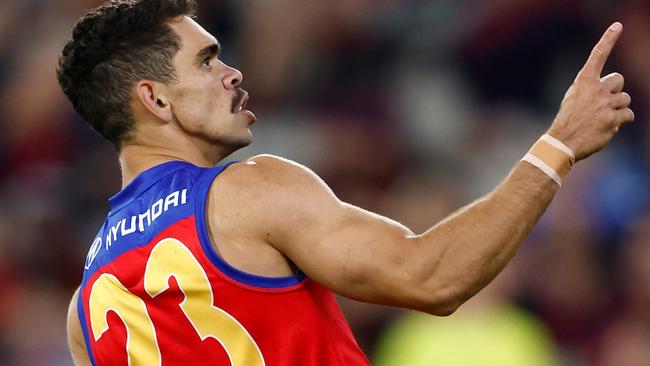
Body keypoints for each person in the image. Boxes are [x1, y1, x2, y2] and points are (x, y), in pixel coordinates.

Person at [57, 1, 633, 365]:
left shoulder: (85, 310)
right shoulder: (246, 194)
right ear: (154, 99)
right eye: (206, 62)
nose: (232, 72)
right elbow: (432, 277)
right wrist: (559, 145)